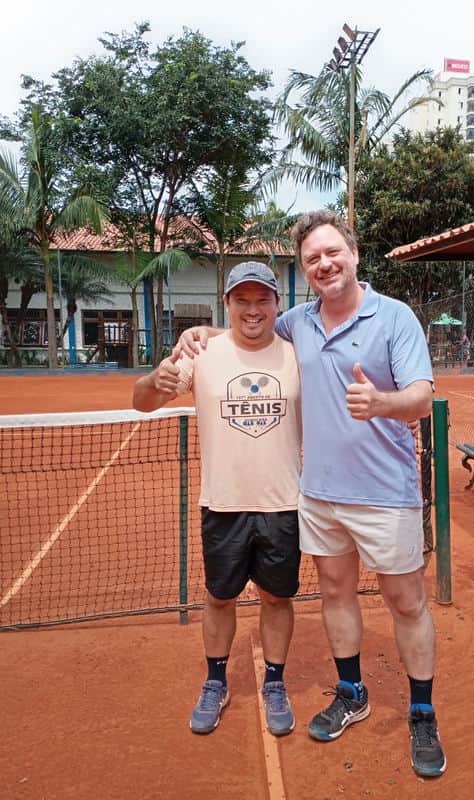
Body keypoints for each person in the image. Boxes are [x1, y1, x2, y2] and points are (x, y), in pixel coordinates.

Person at [176, 211, 446, 778]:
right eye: (312, 259)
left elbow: (422, 397)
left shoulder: (394, 317)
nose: (324, 264)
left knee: (406, 602)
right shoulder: (297, 321)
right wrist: (198, 333)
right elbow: (248, 326)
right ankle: (352, 692)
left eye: (332, 252)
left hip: (386, 493)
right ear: (304, 270)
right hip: (320, 495)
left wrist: (383, 403)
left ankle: (422, 711)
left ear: (354, 253)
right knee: (337, 596)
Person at [133, 262, 302, 738]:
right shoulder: (201, 353)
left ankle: (275, 682)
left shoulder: (297, 356)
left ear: (276, 304)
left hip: (283, 504)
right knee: (219, 597)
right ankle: (215, 682)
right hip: (223, 504)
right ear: (226, 304)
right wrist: (156, 379)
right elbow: (141, 401)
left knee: (277, 597)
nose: (253, 310)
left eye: (262, 299)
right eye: (241, 300)